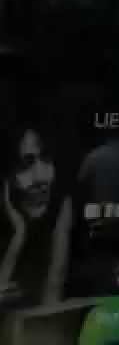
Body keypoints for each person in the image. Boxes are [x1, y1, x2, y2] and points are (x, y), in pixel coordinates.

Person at [2, 124, 72, 308]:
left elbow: (52, 297)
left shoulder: (60, 209)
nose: (41, 177)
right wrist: (18, 236)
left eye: (46, 160)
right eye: (26, 164)